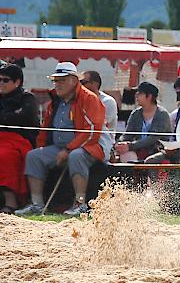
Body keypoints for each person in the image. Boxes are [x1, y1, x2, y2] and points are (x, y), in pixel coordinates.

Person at [15, 62, 106, 216]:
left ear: (74, 80)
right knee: (34, 156)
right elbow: (45, 129)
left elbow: (92, 131)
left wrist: (69, 149)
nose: (57, 84)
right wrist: (41, 146)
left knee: (76, 156)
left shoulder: (89, 98)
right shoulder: (54, 102)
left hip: (89, 147)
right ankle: (37, 204)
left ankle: (80, 203)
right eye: (55, 80)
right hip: (59, 148)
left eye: (62, 80)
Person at [0, 64, 39, 213]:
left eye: (5, 80)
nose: (1, 83)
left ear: (17, 82)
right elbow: (13, 117)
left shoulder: (27, 98)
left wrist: (7, 117)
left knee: (4, 156)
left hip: (19, 140)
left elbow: (25, 117)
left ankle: (11, 201)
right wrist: (10, 116)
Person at [115, 82, 171, 162]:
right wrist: (121, 143)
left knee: (150, 161)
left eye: (140, 94)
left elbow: (153, 138)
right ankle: (131, 175)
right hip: (138, 150)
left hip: (158, 151)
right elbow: (127, 135)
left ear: (149, 96)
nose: (136, 96)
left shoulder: (162, 114)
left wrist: (130, 146)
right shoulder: (135, 114)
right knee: (125, 155)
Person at [81, 70, 117, 162]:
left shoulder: (108, 101)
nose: (80, 86)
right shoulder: (80, 101)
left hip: (104, 144)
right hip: (85, 141)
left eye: (83, 82)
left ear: (95, 84)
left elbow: (99, 126)